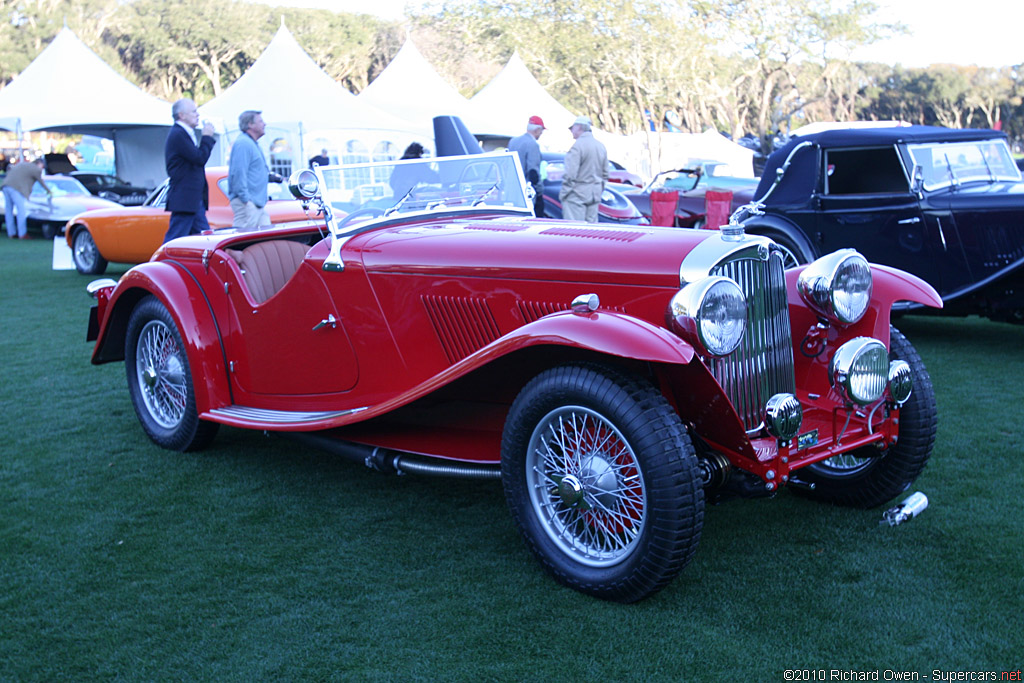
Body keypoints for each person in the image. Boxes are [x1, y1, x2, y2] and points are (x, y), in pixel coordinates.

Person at [163, 98, 216, 243]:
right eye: (193, 111)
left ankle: (205, 264)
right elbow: (199, 158)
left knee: (205, 238)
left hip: (191, 199)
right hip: (185, 198)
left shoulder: (182, 133)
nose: (197, 115)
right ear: (182, 115)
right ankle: (162, 263)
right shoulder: (178, 134)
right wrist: (206, 137)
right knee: (176, 238)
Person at [227, 110, 282, 230]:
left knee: (265, 236)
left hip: (257, 204)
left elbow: (252, 172)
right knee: (243, 240)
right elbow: (238, 173)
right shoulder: (243, 144)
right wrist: (246, 200)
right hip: (248, 203)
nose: (265, 124)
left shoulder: (251, 143)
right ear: (250, 125)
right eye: (261, 121)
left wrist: (271, 178)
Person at [559, 115, 608, 223]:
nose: (571, 131)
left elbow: (570, 174)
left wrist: (564, 193)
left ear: (579, 127)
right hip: (594, 195)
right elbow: (605, 174)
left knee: (574, 232)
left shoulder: (577, 146)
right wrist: (598, 189)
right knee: (591, 233)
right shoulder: (600, 146)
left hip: (576, 195)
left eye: (573, 128)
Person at [3, 158, 51, 239]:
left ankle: (11, 233)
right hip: (16, 189)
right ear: (39, 163)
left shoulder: (23, 164)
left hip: (5, 186)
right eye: (42, 166)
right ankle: (22, 234)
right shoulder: (36, 169)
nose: (42, 169)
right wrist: (49, 191)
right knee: (21, 211)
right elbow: (41, 181)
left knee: (9, 211)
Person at [508, 115, 546, 217]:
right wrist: (539, 192)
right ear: (537, 130)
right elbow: (532, 171)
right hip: (526, 193)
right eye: (542, 131)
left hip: (511, 191)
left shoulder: (513, 141)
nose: (541, 133)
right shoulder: (533, 144)